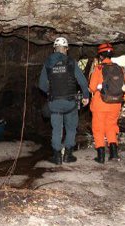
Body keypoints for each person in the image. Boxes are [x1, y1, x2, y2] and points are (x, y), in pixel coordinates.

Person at [39, 37, 90, 165]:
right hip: (70, 103)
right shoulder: (71, 62)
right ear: (66, 49)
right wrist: (86, 96)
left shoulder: (48, 63)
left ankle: (57, 157)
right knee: (71, 128)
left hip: (54, 103)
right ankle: (68, 155)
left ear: (54, 49)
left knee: (56, 129)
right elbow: (83, 82)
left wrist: (50, 92)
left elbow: (41, 85)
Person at [89, 43, 125, 163]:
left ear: (100, 56)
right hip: (116, 104)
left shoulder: (99, 68)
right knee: (112, 127)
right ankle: (114, 154)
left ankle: (101, 157)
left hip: (100, 104)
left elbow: (92, 88)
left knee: (98, 128)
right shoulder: (120, 68)